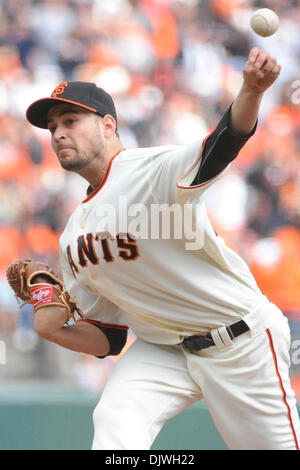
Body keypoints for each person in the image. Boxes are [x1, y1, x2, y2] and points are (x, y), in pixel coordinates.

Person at [24, 47, 300, 450]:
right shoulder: (71, 236)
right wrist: (53, 329)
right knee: (116, 419)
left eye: (70, 120)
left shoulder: (150, 169)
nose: (58, 133)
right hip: (163, 348)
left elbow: (222, 145)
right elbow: (109, 337)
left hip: (240, 339)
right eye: (51, 128)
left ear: (107, 125)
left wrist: (252, 91)